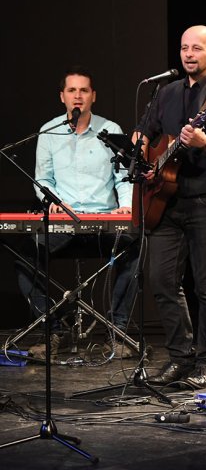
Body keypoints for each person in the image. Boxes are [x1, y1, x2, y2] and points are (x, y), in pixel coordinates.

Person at [136, 25, 206, 389]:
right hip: (167, 201)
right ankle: (180, 356)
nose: (188, 54)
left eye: (196, 48)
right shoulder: (166, 92)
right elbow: (144, 132)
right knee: (162, 281)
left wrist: (204, 140)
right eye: (184, 48)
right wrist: (140, 150)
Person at [18, 66, 138, 360]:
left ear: (93, 96)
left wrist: (126, 208)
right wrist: (53, 201)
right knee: (24, 255)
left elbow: (124, 177)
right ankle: (53, 329)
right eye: (72, 91)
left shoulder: (111, 130)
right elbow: (43, 180)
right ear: (63, 97)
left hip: (103, 223)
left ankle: (117, 332)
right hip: (63, 224)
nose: (78, 96)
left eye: (84, 90)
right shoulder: (49, 132)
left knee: (135, 248)